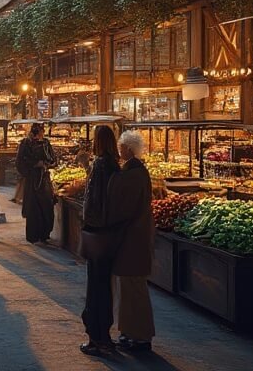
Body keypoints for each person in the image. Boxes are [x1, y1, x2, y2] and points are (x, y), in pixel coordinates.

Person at [107, 130, 155, 353]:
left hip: (132, 238)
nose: (120, 150)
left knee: (134, 288)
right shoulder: (135, 170)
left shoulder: (134, 172)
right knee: (127, 287)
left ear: (128, 149)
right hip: (132, 237)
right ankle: (128, 332)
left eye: (122, 147)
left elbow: (125, 204)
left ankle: (141, 336)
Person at [79, 124, 120, 357]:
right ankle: (103, 334)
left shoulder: (99, 166)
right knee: (105, 285)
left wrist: (87, 224)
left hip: (98, 233)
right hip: (111, 233)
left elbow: (93, 201)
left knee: (95, 286)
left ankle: (98, 338)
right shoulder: (115, 165)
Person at [15, 121, 58, 243]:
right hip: (32, 181)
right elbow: (19, 163)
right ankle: (34, 235)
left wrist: (46, 165)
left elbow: (53, 159)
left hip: (44, 179)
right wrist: (34, 165)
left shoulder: (46, 143)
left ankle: (45, 234)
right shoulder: (25, 143)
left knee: (46, 207)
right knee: (33, 209)